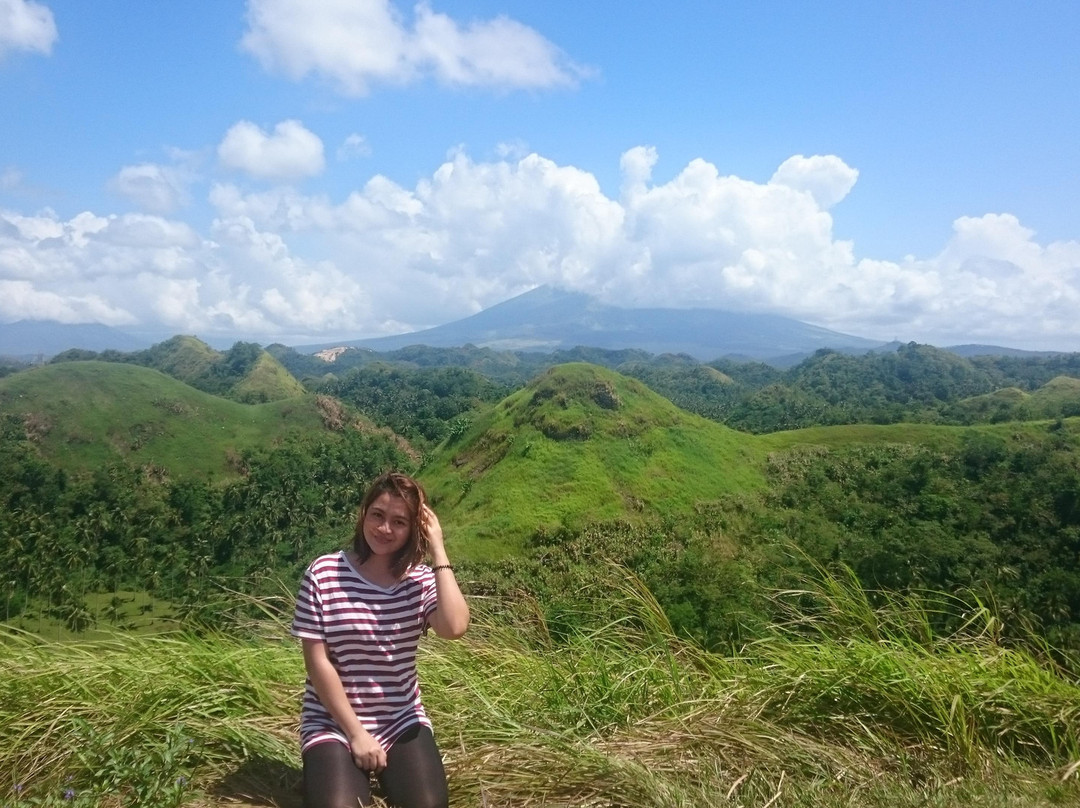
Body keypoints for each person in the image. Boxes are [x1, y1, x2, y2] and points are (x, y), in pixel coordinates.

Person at [292, 472, 470, 808]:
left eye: (399, 522)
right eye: (377, 515)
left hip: (400, 717)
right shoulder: (324, 573)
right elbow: (318, 663)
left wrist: (438, 550)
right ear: (363, 514)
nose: (384, 529)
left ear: (414, 529)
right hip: (331, 720)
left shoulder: (418, 580)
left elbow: (455, 627)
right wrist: (357, 734)